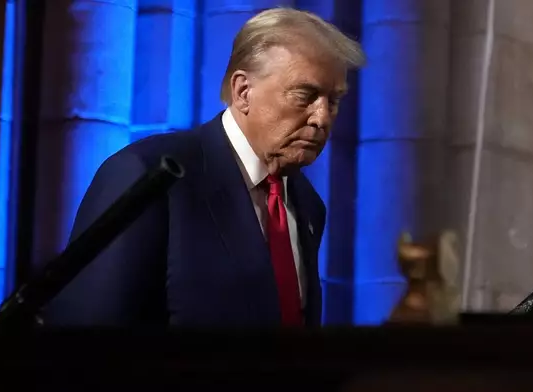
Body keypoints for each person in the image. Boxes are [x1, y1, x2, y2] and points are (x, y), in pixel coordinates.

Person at [41, 7, 365, 327]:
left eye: (333, 101)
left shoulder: (307, 204)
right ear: (243, 92)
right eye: (304, 95)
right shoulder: (148, 176)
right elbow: (83, 345)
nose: (322, 118)